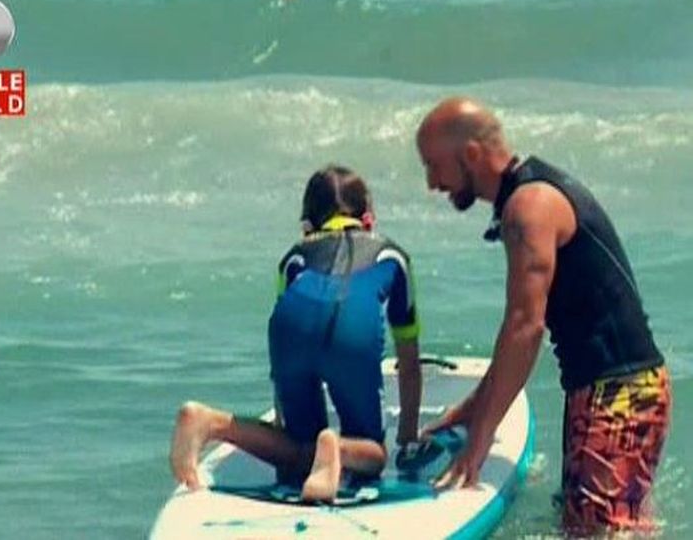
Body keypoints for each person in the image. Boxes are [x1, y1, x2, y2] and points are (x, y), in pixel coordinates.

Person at [415, 97, 670, 535]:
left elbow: (524, 327)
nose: (431, 183)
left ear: (471, 154)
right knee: (605, 525)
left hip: (617, 396)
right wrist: (475, 407)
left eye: (434, 166)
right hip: (622, 390)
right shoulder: (532, 191)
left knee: (598, 532)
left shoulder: (528, 207)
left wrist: (478, 444)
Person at [170, 164, 423, 502]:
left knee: (297, 449)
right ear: (368, 220)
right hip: (351, 335)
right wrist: (408, 437)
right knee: (373, 455)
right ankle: (337, 448)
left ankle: (212, 423)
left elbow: (283, 325)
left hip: (289, 330)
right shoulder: (393, 256)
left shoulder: (294, 258)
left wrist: (288, 433)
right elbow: (409, 362)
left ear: (307, 227)